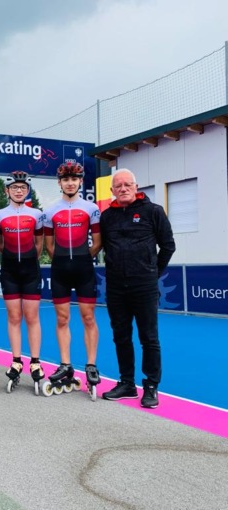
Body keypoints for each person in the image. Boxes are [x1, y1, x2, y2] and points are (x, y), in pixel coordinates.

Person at [100, 168, 175, 409]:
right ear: (112, 190)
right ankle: (127, 383)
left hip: (144, 286)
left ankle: (151, 386)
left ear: (136, 186)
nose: (123, 189)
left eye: (127, 184)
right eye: (118, 186)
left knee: (149, 338)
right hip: (115, 287)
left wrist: (152, 273)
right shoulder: (106, 216)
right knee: (121, 336)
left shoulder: (153, 211)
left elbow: (168, 246)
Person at [43, 162, 102, 399]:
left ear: (80, 181)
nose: (70, 183)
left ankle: (91, 365)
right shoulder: (50, 211)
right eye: (66, 179)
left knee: (88, 317)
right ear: (59, 183)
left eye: (74, 179)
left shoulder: (91, 208)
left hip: (83, 268)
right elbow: (49, 246)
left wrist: (82, 258)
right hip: (60, 270)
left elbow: (97, 242)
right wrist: (63, 260)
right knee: (62, 318)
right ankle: (65, 364)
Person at [0, 171, 46, 395]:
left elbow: (39, 244)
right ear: (7, 190)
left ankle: (35, 362)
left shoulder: (36, 214)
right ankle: (16, 361)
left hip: (30, 270)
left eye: (22, 187)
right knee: (14, 317)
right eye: (14, 187)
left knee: (32, 317)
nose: (18, 190)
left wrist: (28, 258)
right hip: (9, 271)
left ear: (28, 190)